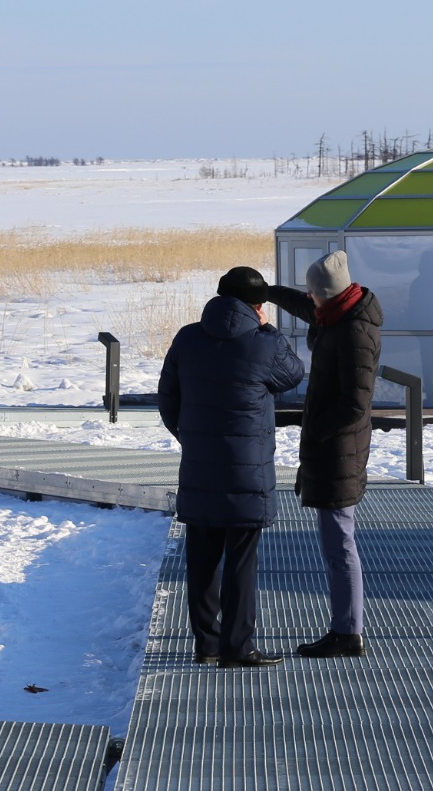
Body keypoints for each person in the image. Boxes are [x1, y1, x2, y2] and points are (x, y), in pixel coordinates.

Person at [158, 266, 305, 669]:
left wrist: (191, 437)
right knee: (241, 562)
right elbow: (294, 375)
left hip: (200, 468)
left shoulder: (188, 337)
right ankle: (237, 648)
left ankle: (206, 644)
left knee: (202, 560)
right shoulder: (263, 343)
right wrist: (270, 332)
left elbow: (167, 399)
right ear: (258, 306)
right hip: (247, 472)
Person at [266, 250, 383, 658]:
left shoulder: (353, 332)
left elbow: (355, 402)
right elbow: (306, 307)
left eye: (313, 295)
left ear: (327, 296)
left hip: (339, 450)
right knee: (338, 541)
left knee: (340, 544)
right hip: (335, 447)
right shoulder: (340, 312)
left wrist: (313, 429)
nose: (309, 300)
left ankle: (348, 632)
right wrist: (268, 292)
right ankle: (345, 627)